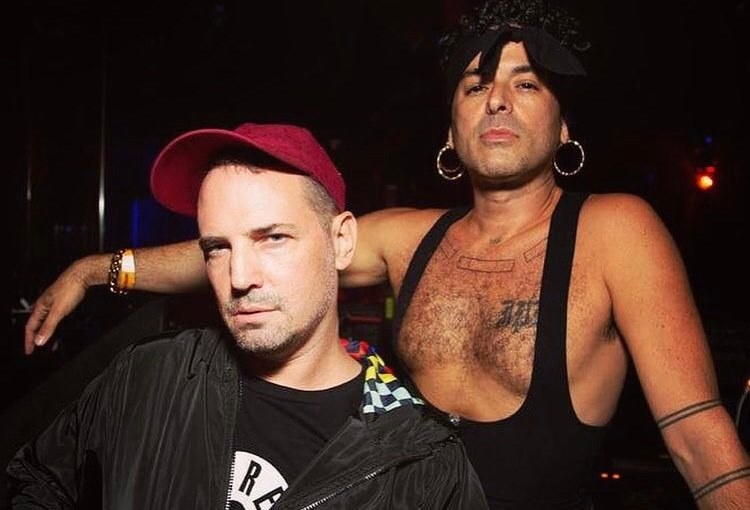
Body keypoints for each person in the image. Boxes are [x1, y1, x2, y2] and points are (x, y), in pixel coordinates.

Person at [22, 0, 750, 508]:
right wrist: (101, 269)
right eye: (476, 85)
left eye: (526, 83)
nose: (497, 100)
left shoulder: (616, 230)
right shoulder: (409, 236)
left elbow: (696, 435)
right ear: (452, 129)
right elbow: (255, 250)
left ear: (565, 128)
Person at [8, 122, 489, 509]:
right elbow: (39, 483)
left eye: (273, 238)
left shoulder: (421, 466)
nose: (239, 277)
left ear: (341, 241)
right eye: (217, 248)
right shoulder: (149, 375)